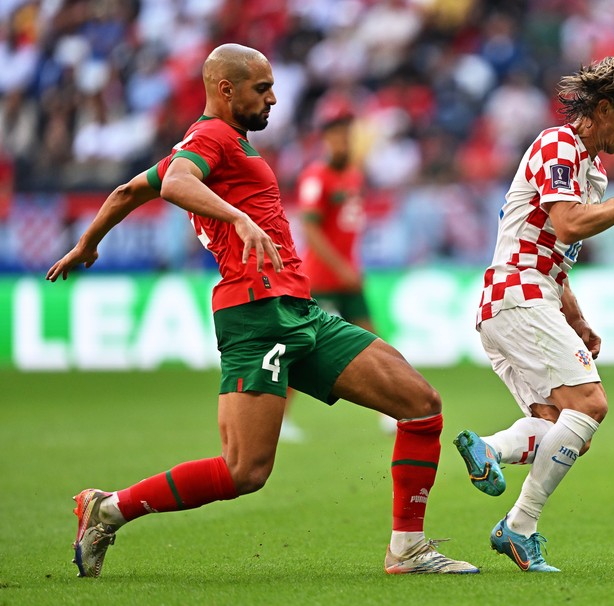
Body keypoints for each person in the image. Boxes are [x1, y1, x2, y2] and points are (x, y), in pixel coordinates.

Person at [46, 43, 479, 577]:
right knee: (244, 471)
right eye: (261, 88)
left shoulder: (219, 144)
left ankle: (407, 549)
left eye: (273, 87)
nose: (274, 98)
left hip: (300, 310)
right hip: (255, 315)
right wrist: (240, 219)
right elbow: (178, 183)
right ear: (225, 89)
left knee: (420, 404)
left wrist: (89, 243)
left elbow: (128, 191)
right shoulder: (210, 139)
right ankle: (107, 509)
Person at [452, 55, 614, 572]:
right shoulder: (558, 145)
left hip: (525, 296)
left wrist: (578, 319)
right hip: (517, 294)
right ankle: (520, 526)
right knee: (590, 405)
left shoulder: (591, 169)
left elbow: (556, 254)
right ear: (606, 108)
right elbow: (567, 225)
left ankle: (490, 449)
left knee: (560, 426)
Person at [279, 95, 393, 441]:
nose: (341, 138)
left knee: (374, 343)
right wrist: (341, 267)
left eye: (346, 131)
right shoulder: (317, 176)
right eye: (335, 132)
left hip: (349, 278)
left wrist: (349, 268)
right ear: (325, 138)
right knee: (302, 350)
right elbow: (311, 229)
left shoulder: (354, 175)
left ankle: (388, 411)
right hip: (323, 280)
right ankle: (278, 416)